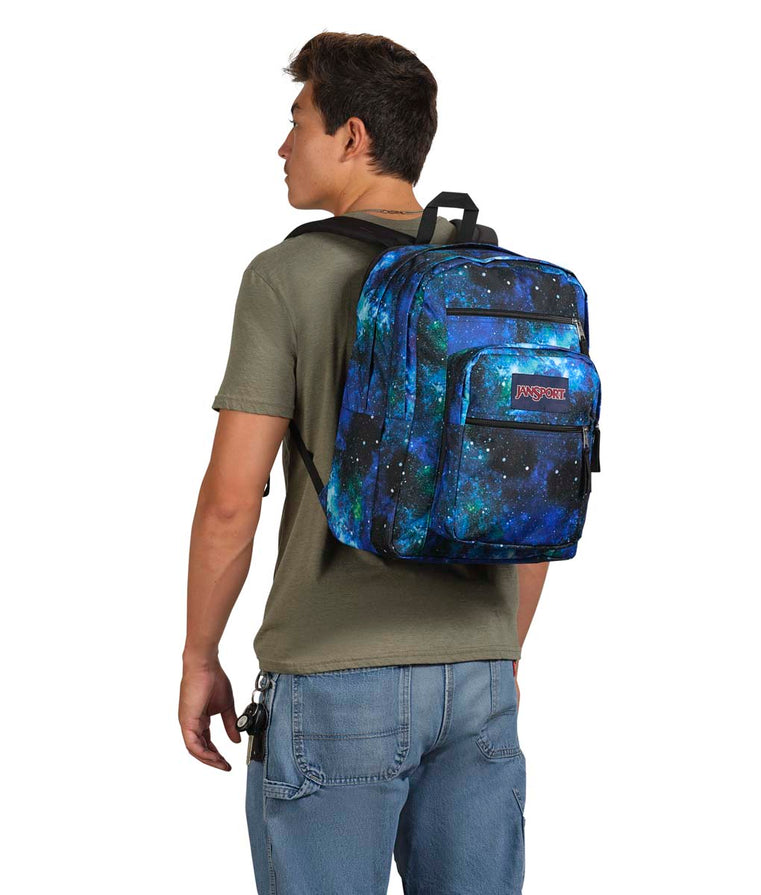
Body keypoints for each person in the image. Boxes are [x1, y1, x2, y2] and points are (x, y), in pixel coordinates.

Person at [178, 30, 549, 895]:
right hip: (479, 679)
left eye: (296, 120)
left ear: (351, 136)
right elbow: (532, 495)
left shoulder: (285, 277)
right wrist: (498, 651)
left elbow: (233, 499)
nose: (282, 146)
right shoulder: (506, 286)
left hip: (333, 680)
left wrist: (200, 655)